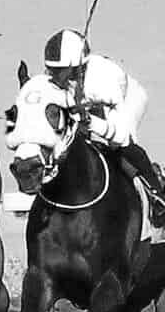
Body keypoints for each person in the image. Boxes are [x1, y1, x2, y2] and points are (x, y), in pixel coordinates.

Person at [42, 29, 165, 225]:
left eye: (59, 70)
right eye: (50, 69)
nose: (53, 75)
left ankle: (157, 195)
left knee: (121, 147)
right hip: (91, 106)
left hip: (128, 99)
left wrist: (89, 120)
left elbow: (120, 134)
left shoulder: (102, 80)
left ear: (76, 66)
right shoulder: (62, 77)